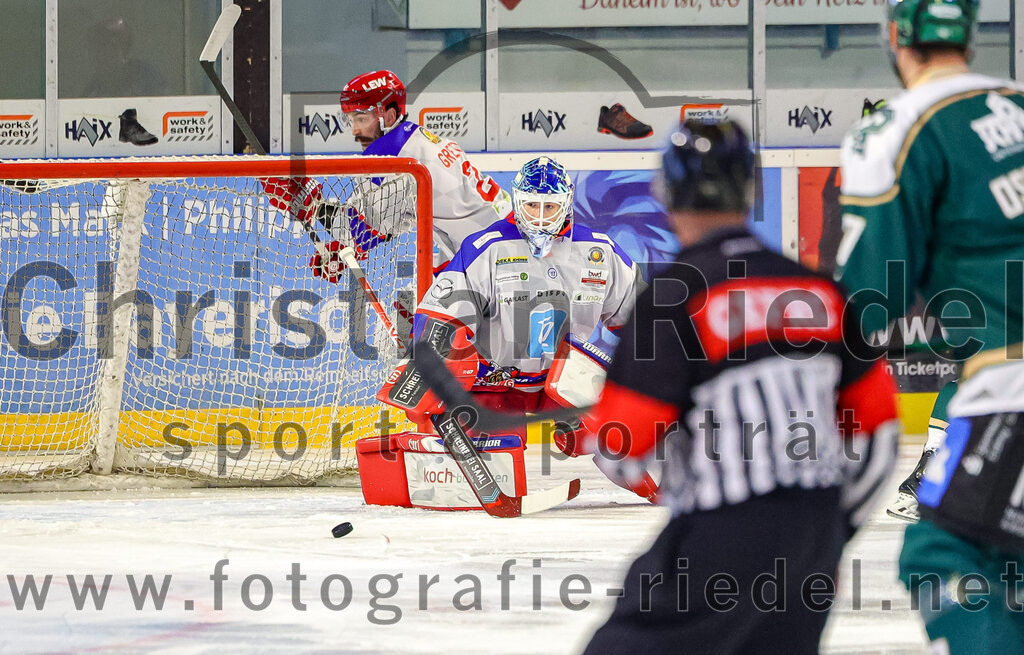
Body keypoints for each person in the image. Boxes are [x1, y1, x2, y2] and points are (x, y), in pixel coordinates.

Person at [580, 120, 900, 654]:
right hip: (814, 541)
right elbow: (879, 437)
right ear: (752, 191)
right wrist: (828, 537)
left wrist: (598, 428)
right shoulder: (822, 289)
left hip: (723, 537)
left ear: (668, 193)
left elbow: (622, 452)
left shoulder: (673, 295)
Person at [837, 1, 1024, 650]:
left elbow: (871, 302)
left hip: (1010, 388)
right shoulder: (1019, 104)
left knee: (938, 551)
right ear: (969, 36)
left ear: (896, 37)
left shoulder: (897, 128)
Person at [387, 156, 656, 499]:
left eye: (549, 206)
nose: (540, 216)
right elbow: (443, 316)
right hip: (498, 382)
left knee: (633, 437)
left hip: (567, 381)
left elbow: (646, 323)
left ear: (566, 203)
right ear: (517, 201)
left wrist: (655, 369)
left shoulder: (600, 251)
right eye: (531, 205)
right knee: (489, 463)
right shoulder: (486, 248)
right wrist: (434, 363)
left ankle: (649, 476)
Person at [262, 69, 512, 278]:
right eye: (351, 120)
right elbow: (394, 219)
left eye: (361, 119)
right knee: (417, 308)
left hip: (497, 255)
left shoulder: (397, 160)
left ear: (389, 116)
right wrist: (344, 249)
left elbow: (360, 229)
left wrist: (313, 207)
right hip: (496, 240)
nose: (354, 131)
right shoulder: (414, 142)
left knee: (425, 323)